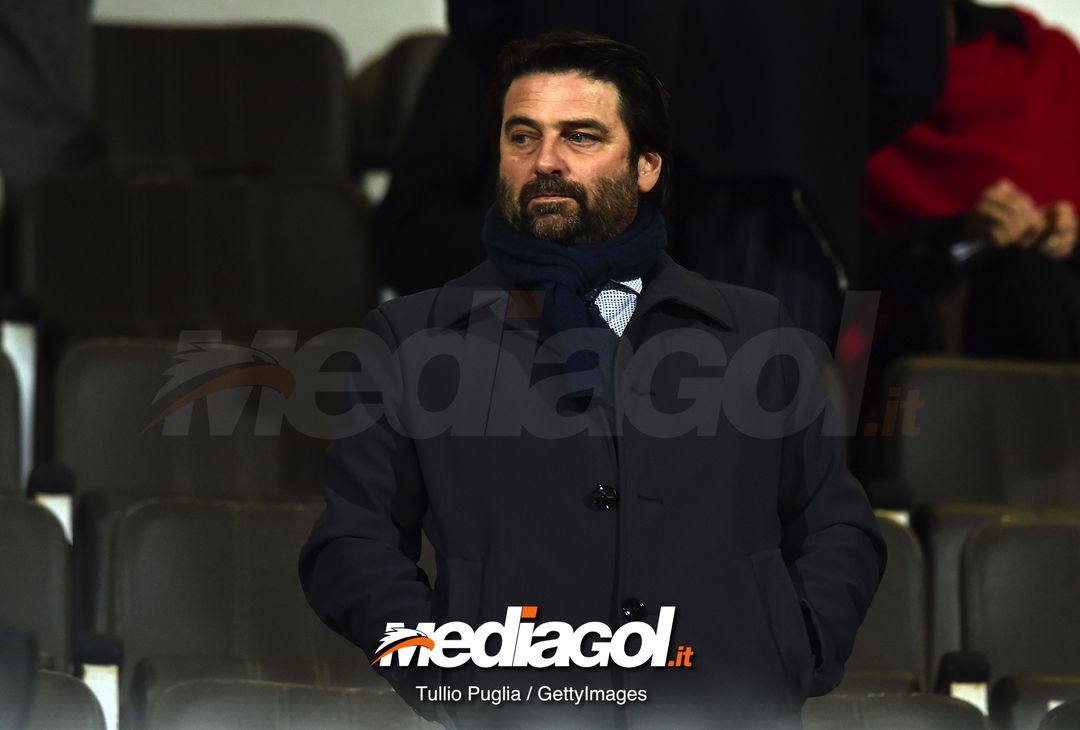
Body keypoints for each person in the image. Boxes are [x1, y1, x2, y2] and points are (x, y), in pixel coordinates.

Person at [302, 31, 885, 729]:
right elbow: (351, 545)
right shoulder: (413, 340)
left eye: (580, 137)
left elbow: (839, 526)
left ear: (645, 166)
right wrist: (446, 675)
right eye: (523, 137)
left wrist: (793, 651)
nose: (545, 161)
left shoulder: (757, 333)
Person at [374, 0, 947, 348]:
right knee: (761, 454)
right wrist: (812, 130)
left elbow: (485, 23)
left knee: (564, 448)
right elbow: (911, 61)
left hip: (595, 149)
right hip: (775, 183)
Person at [865, 0, 1080, 360]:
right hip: (917, 364)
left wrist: (1069, 237)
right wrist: (961, 238)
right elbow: (846, 275)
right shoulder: (847, 98)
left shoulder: (1046, 59)